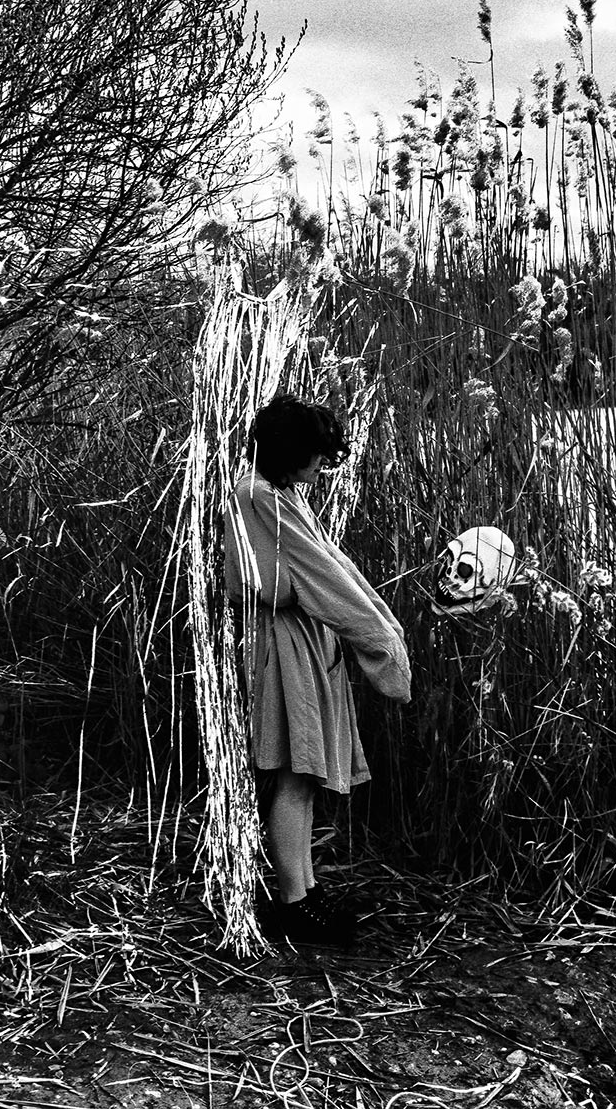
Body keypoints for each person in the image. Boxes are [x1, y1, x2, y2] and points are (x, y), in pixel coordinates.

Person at [224, 393, 411, 946]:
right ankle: (294, 902)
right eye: (313, 455)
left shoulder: (275, 492)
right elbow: (320, 576)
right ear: (289, 451)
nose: (319, 467)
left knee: (300, 774)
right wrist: (379, 642)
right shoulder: (260, 496)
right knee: (295, 772)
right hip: (282, 644)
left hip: (295, 638)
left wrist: (379, 625)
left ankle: (302, 887)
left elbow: (329, 565)